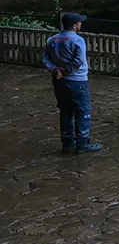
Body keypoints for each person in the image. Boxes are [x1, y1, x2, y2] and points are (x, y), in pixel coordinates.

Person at [42, 13, 102, 154]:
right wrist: (67, 70)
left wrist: (54, 69)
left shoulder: (52, 40)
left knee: (65, 111)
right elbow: (79, 59)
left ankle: (67, 143)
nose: (81, 24)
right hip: (77, 80)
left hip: (59, 81)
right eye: (79, 23)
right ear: (74, 25)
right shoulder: (77, 40)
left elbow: (44, 56)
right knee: (83, 111)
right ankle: (82, 143)